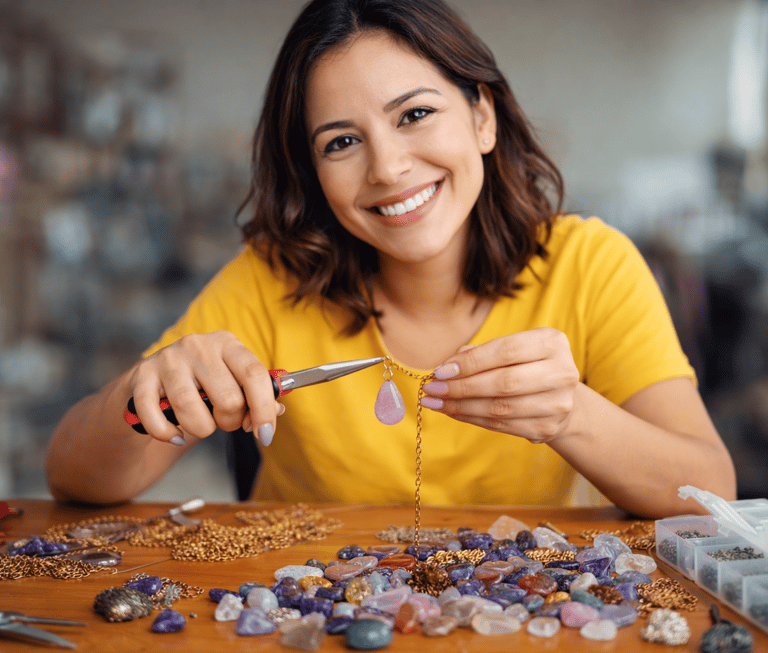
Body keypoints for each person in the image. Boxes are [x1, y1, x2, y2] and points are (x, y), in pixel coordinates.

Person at [46, 0, 736, 517]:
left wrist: (572, 415)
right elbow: (73, 478)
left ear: (483, 117)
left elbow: (711, 490)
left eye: (414, 115)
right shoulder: (269, 281)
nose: (389, 167)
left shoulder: (592, 265)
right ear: (313, 172)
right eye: (341, 142)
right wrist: (146, 397)